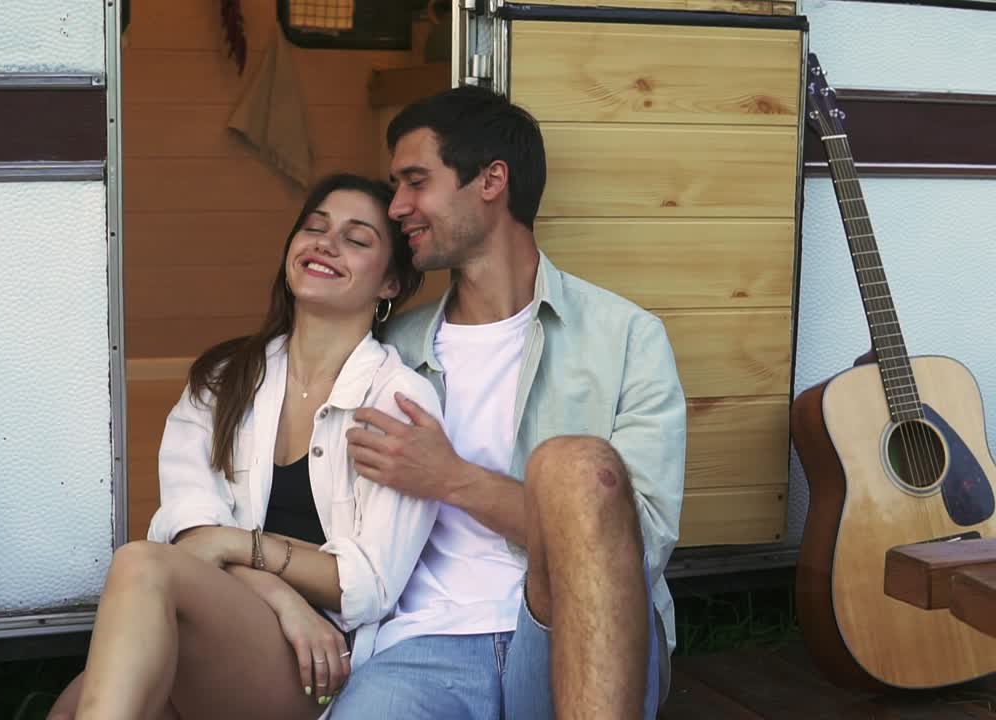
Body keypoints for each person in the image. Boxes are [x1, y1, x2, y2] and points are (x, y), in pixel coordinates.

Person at [331, 85, 687, 720]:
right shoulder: (387, 352)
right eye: (395, 187)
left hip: (578, 629)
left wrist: (452, 479)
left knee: (574, 466)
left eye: (416, 181)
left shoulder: (626, 338)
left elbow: (640, 547)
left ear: (491, 180)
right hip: (424, 643)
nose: (398, 207)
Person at [47, 173, 443, 720]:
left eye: (357, 239)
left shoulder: (397, 399)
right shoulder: (224, 378)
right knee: (76, 707)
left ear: (390, 284)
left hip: (319, 662)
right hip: (242, 629)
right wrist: (281, 598)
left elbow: (366, 584)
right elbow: (190, 533)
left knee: (141, 566)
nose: (326, 243)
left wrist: (236, 546)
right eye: (314, 227)